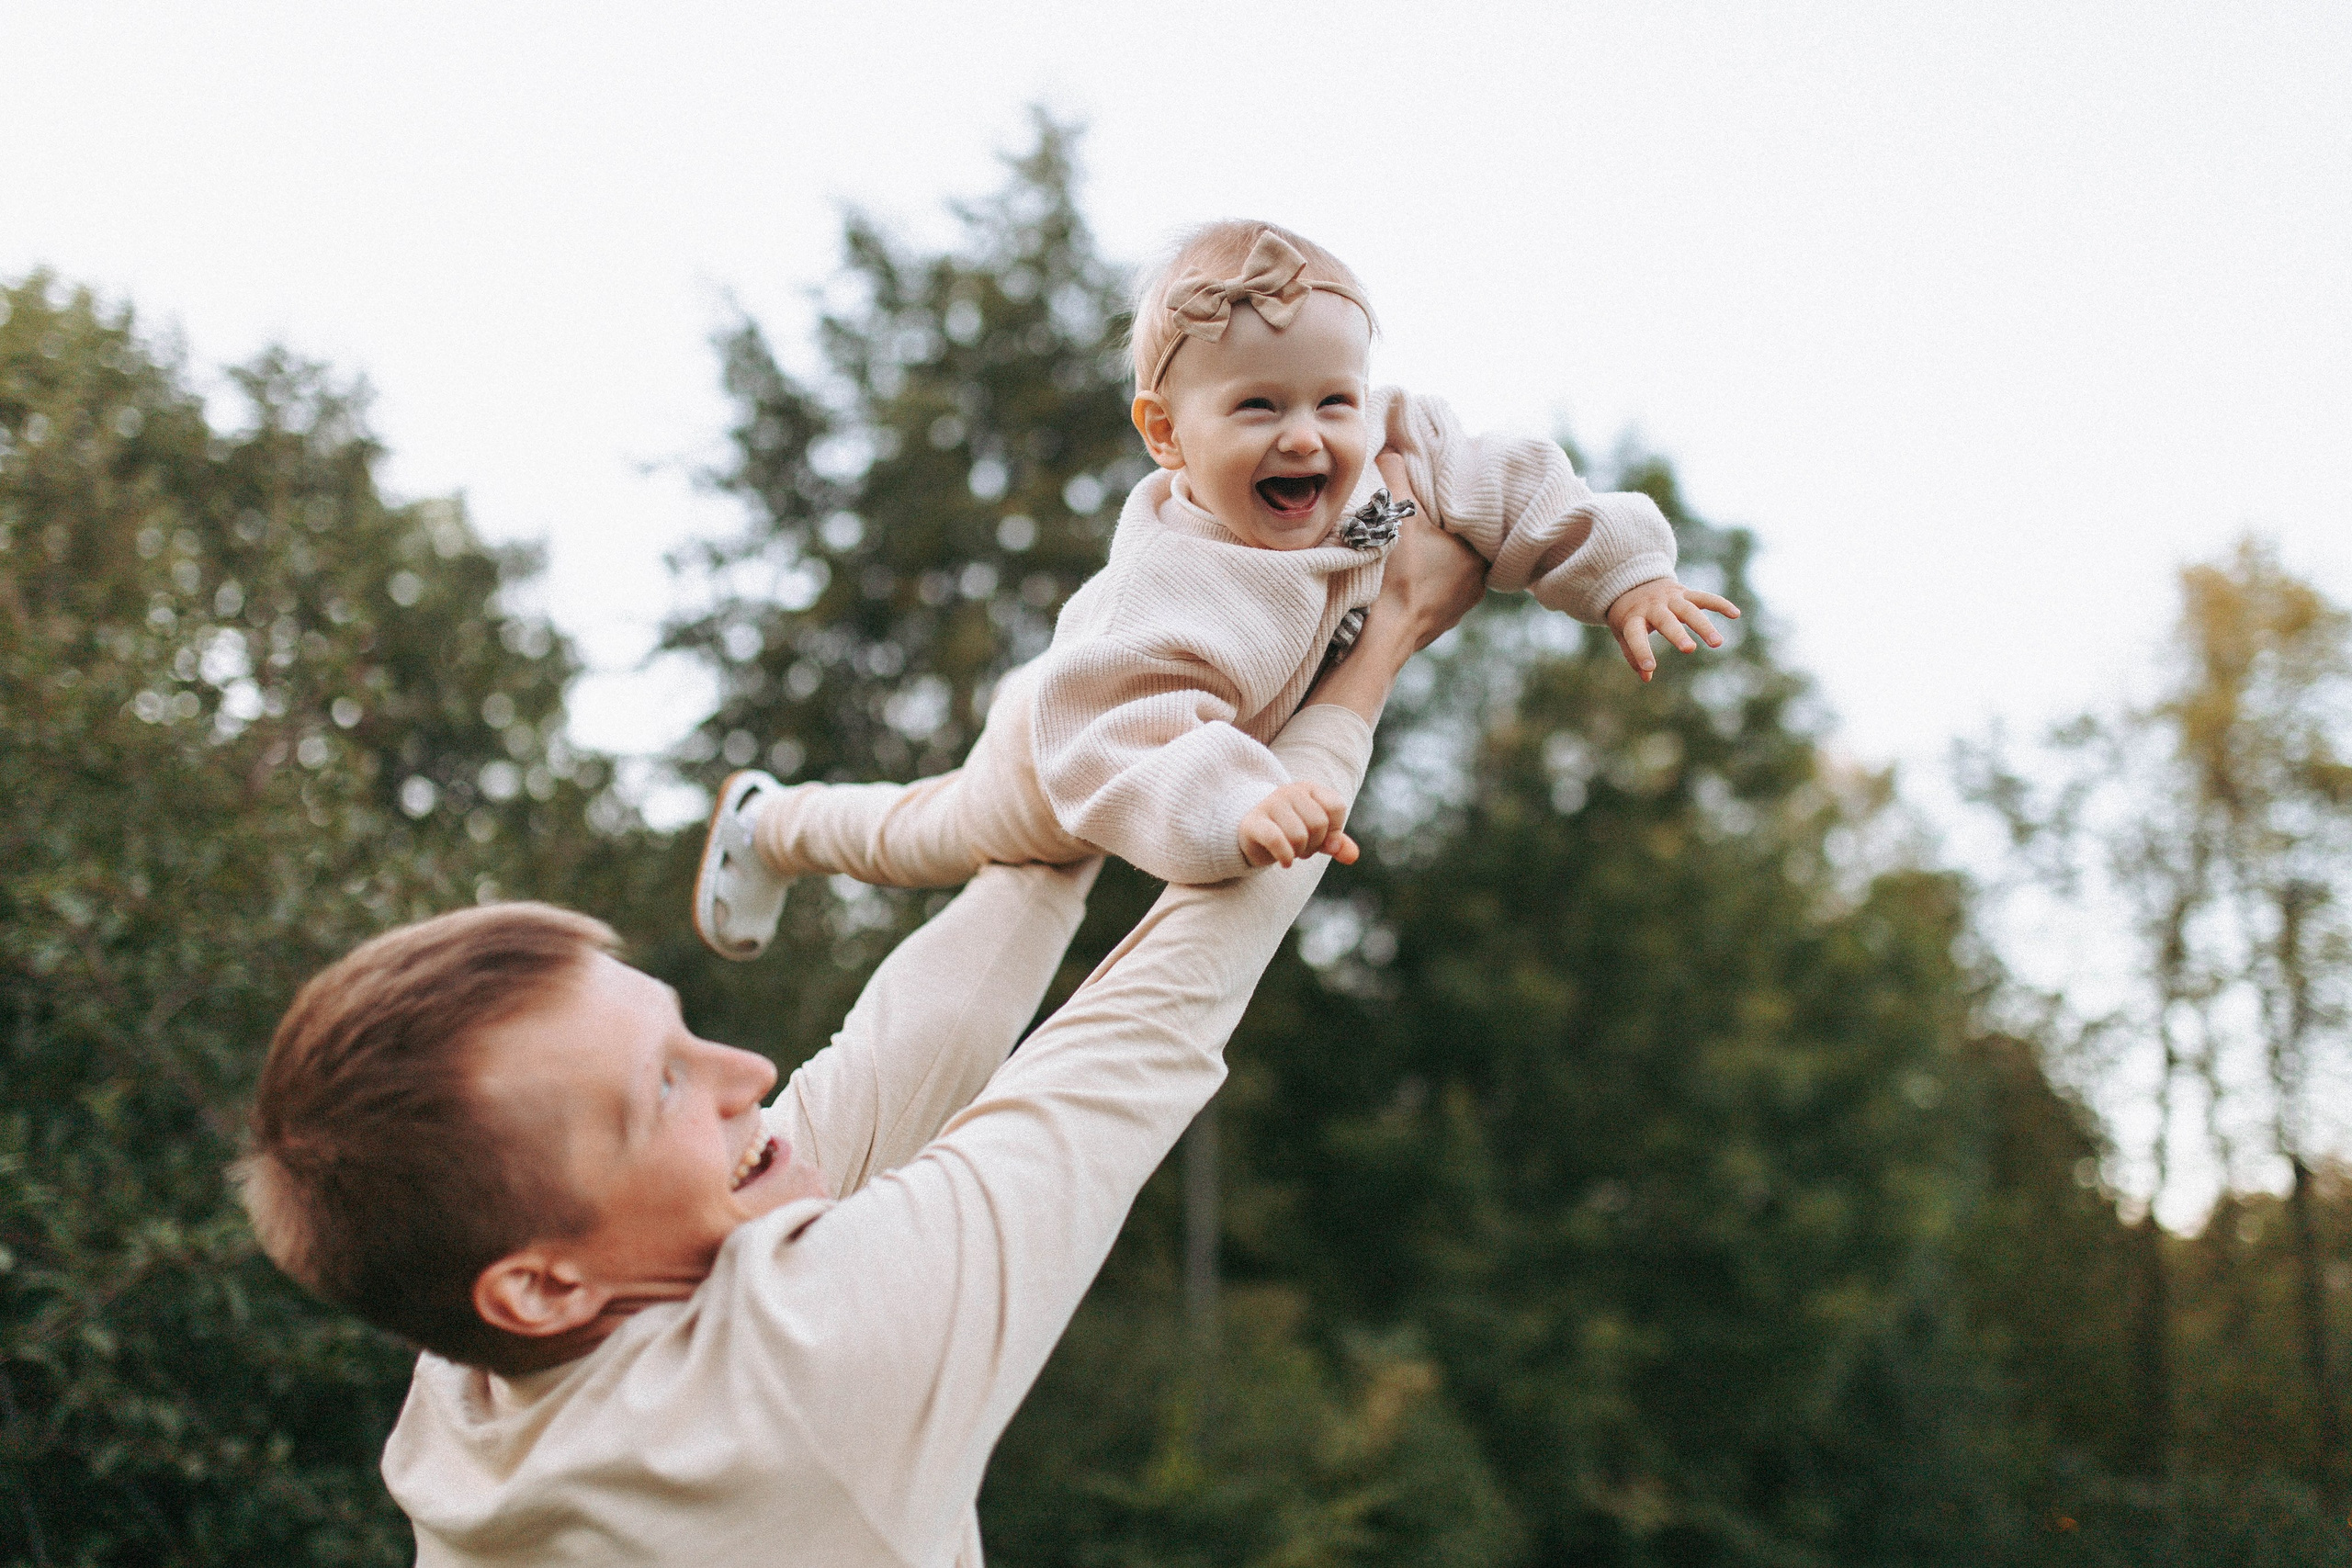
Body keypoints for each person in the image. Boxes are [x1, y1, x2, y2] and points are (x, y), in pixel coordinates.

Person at [235, 491, 1487, 1566]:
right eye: (664, 1090)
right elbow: (1145, 1028)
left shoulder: (472, 1362)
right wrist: (1375, 656)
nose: (750, 1075)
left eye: (688, 1039)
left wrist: (1100, 764)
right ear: (542, 1279)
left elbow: (894, 1060)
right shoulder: (804, 1377)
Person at [693, 220, 1738, 960]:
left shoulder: (1380, 460)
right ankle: (773, 824)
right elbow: (1134, 739)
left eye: (1335, 397)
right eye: (1257, 407)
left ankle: (779, 821)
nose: (1307, 436)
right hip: (1071, 738)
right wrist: (1240, 804)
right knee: (929, 836)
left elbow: (1510, 478)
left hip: (1134, 683)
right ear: (1165, 435)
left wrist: (1622, 574)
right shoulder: (1180, 590)